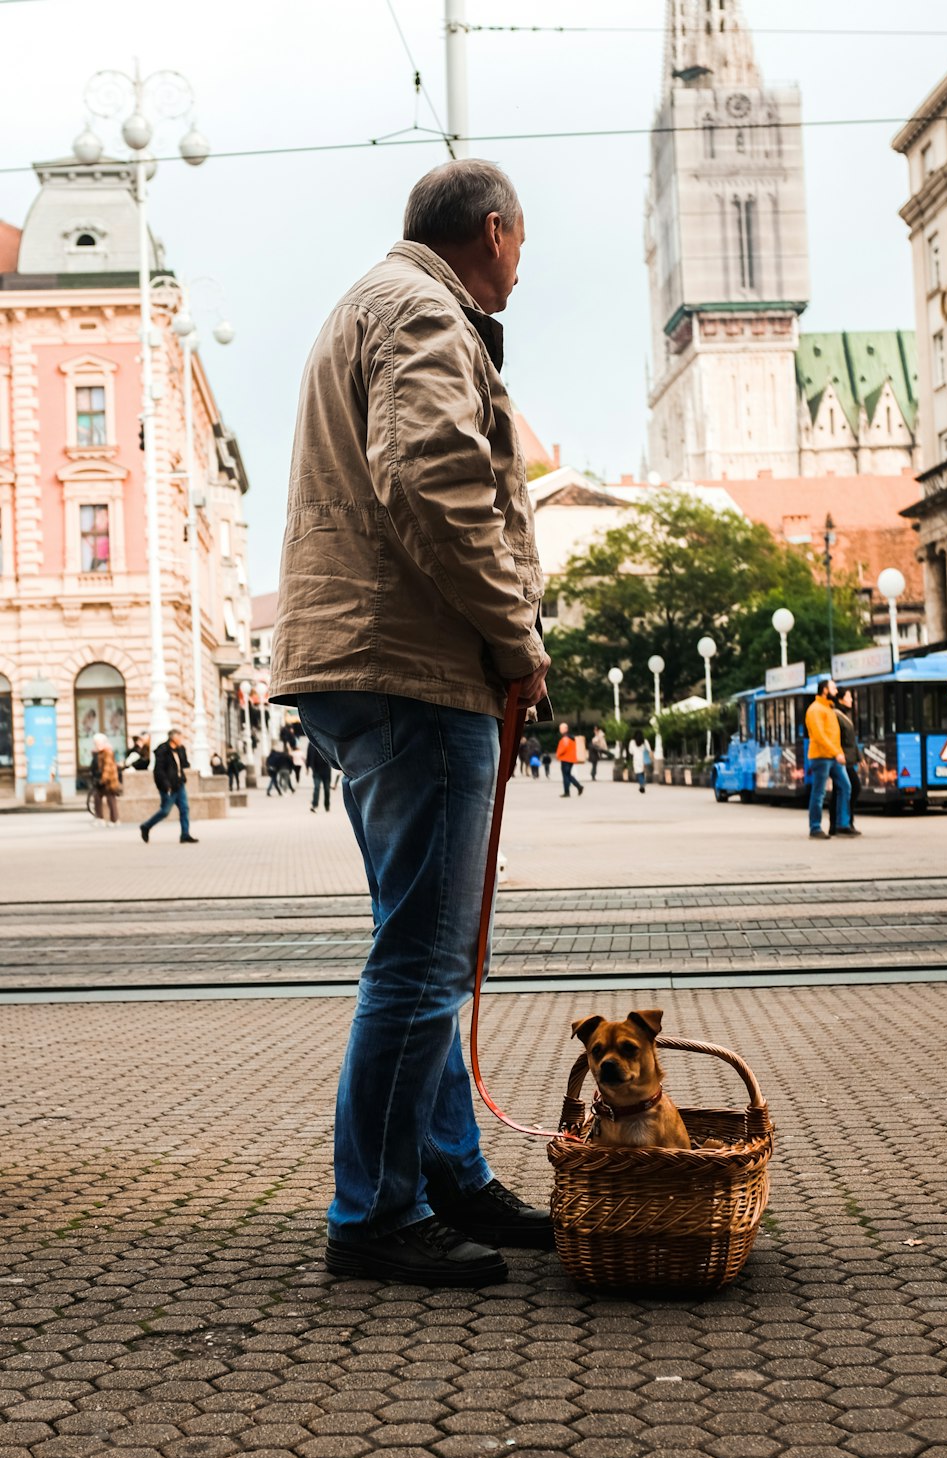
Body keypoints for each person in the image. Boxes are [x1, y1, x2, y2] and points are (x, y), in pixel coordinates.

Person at [268, 159, 553, 1288]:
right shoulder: (427, 309)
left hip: (367, 661)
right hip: (417, 668)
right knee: (425, 959)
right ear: (491, 230)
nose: (521, 271)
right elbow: (434, 480)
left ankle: (449, 1175)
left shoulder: (375, 303)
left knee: (419, 946)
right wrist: (516, 637)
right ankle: (375, 1215)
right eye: (521, 248)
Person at [805, 679, 859, 841]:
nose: (836, 691)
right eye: (833, 688)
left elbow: (834, 735)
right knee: (819, 792)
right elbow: (820, 736)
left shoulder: (828, 708)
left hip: (833, 756)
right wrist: (836, 753)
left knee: (846, 786)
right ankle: (815, 827)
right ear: (824, 690)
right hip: (821, 757)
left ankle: (843, 824)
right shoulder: (815, 710)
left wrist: (838, 752)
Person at [140, 729, 198, 844]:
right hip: (168, 786)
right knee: (165, 811)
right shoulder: (163, 750)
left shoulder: (180, 749)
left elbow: (184, 764)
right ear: (173, 738)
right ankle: (146, 826)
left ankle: (185, 834)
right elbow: (159, 771)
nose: (181, 739)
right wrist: (166, 785)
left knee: (184, 809)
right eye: (179, 737)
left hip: (179, 784)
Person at [829, 686, 861, 834]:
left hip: (849, 758)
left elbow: (852, 740)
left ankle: (840, 824)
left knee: (842, 789)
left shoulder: (845, 714)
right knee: (852, 787)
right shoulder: (836, 715)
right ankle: (843, 822)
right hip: (842, 759)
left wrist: (859, 757)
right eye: (849, 697)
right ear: (841, 699)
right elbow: (837, 739)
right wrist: (838, 754)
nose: (851, 700)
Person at [89, 733, 121, 828]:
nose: (96, 745)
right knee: (98, 798)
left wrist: (102, 780)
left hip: (108, 781)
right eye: (95, 743)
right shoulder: (99, 752)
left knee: (110, 800)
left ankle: (113, 820)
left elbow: (107, 768)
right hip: (102, 780)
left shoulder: (107, 752)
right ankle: (102, 818)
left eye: (97, 743)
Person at [307, 736, 338, 811]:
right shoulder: (311, 743)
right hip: (316, 770)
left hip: (326, 771)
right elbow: (308, 755)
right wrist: (307, 767)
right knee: (316, 788)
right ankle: (314, 805)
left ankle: (327, 805)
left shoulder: (325, 742)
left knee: (326, 789)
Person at [556, 722, 584, 798]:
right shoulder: (571, 737)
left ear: (565, 729)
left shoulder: (565, 738)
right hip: (571, 759)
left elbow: (563, 748)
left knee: (566, 776)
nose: (560, 730)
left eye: (561, 728)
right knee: (568, 775)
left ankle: (567, 792)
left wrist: (557, 755)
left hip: (565, 759)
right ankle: (578, 787)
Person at [629, 729, 649, 794]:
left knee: (639, 773)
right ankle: (642, 783)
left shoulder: (632, 742)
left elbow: (631, 751)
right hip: (644, 759)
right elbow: (649, 749)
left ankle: (642, 784)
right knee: (642, 772)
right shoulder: (645, 741)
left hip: (636, 759)